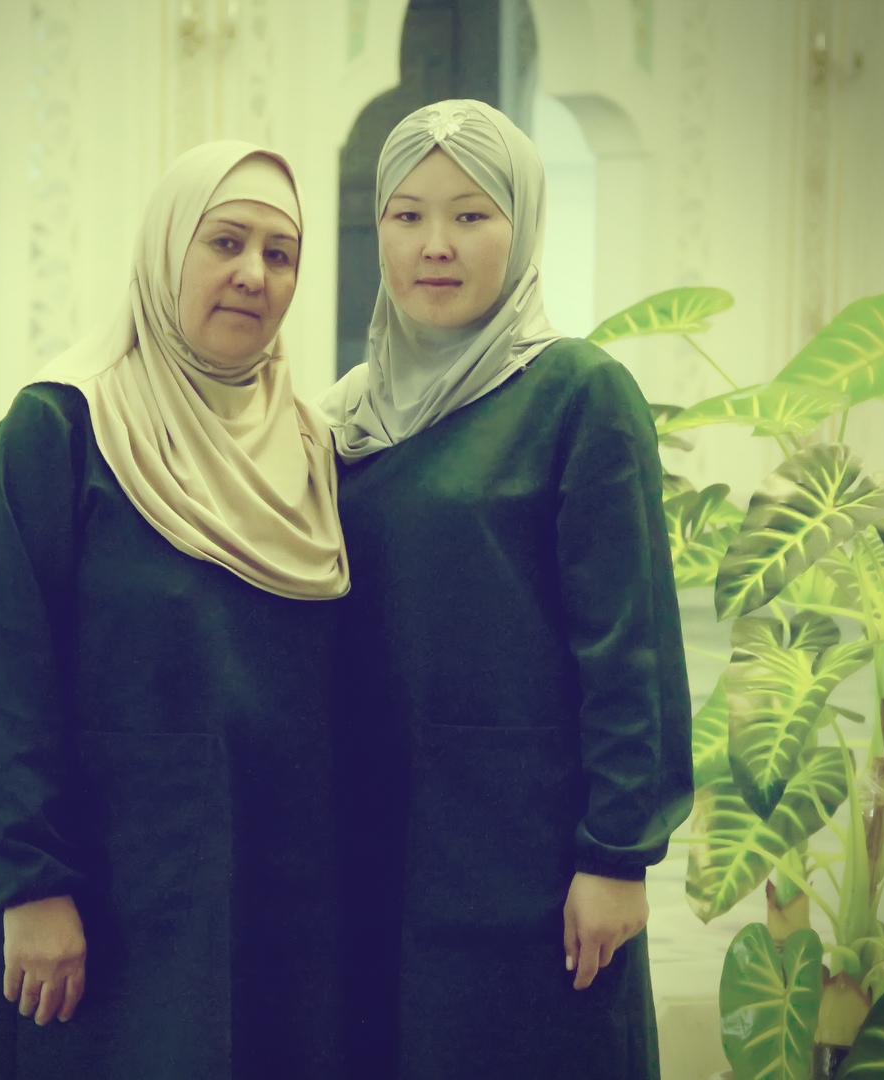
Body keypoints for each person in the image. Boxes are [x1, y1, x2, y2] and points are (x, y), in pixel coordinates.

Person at [0, 141, 350, 1080]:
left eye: (280, 253)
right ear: (166, 252)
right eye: (225, 242)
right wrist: (30, 886)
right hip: (105, 895)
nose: (253, 274)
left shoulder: (313, 450)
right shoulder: (62, 431)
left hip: (279, 900)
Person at [322, 99, 694, 1079]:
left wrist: (615, 856)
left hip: (528, 860)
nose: (435, 246)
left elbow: (630, 648)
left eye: (471, 215)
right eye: (407, 215)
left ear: (522, 226)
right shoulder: (345, 418)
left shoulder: (577, 395)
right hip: (373, 842)